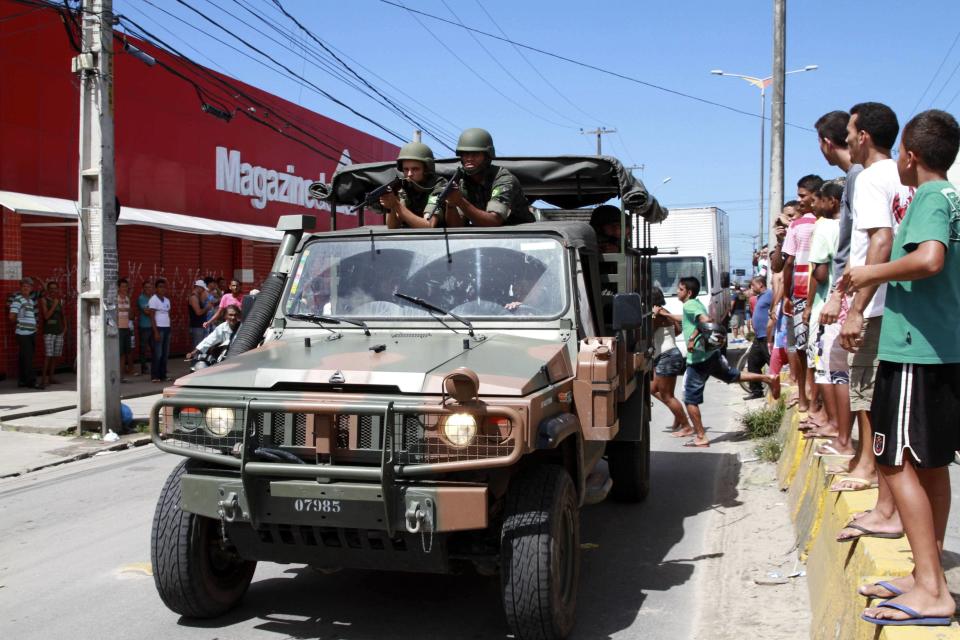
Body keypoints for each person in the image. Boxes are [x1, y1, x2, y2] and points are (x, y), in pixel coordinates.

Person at [850, 110, 960, 627]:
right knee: (931, 464)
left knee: (895, 462)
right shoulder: (950, 197)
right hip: (937, 348)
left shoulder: (931, 198)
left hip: (915, 350)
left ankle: (932, 590)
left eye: (900, 153)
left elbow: (930, 259)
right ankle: (926, 576)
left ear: (911, 156)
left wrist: (870, 272)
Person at [831, 101, 913, 508]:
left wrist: (857, 308)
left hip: (877, 301)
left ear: (863, 136)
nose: (846, 138)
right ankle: (872, 473)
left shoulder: (868, 178)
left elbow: (879, 241)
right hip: (901, 300)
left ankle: (876, 482)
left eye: (850, 131)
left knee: (867, 394)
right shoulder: (906, 175)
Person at [664, 277, 776, 447]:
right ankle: (767, 378)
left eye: (679, 289)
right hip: (711, 355)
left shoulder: (690, 305)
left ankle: (701, 436)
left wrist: (693, 338)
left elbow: (706, 320)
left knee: (689, 399)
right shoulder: (694, 304)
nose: (677, 292)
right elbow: (686, 318)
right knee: (732, 375)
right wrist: (666, 315)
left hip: (698, 360)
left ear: (688, 292)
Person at [801, 183, 845, 451]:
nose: (815, 206)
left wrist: (807, 306)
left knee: (825, 369)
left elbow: (818, 274)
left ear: (833, 201)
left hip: (826, 308)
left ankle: (833, 424)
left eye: (818, 200)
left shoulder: (825, 228)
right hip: (849, 307)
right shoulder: (852, 226)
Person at [782, 174, 824, 414]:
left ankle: (805, 397)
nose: (799, 201)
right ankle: (812, 397)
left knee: (801, 346)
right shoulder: (828, 222)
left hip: (800, 291)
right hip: (818, 291)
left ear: (814, 195)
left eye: (802, 196)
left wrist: (786, 296)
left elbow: (788, 262)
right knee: (815, 347)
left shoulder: (797, 225)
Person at [444, 128, 534, 226]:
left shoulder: (503, 179)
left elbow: (494, 221)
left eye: (476, 154)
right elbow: (456, 226)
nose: (469, 158)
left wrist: (460, 201)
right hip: (487, 238)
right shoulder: (463, 182)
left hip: (521, 235)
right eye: (465, 154)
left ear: (487, 156)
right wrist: (451, 204)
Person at [379, 142, 452, 229]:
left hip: (441, 238)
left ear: (426, 169)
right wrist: (391, 206)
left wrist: (396, 204)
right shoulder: (403, 185)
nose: (409, 174)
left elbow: (428, 225)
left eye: (415, 169)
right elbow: (393, 226)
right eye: (406, 169)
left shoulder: (438, 184)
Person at [650, 287, 691, 434]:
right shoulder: (665, 311)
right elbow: (678, 329)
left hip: (667, 356)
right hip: (669, 355)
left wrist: (653, 317)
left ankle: (686, 426)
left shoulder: (658, 313)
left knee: (667, 396)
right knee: (653, 389)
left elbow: (647, 331)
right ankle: (678, 415)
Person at [744, 276, 773, 400]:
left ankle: (777, 389)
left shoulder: (770, 294)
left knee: (772, 363)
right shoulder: (760, 297)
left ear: (760, 284)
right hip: (758, 338)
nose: (752, 288)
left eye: (753, 285)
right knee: (752, 364)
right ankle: (756, 391)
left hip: (767, 337)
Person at [9, 277, 40, 389]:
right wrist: (20, 323)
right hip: (23, 333)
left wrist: (34, 325)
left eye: (28, 287)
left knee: (24, 358)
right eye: (23, 286)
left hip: (31, 332)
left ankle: (22, 381)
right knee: (28, 358)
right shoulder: (18, 300)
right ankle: (31, 382)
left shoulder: (30, 301)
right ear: (20, 288)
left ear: (31, 288)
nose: (25, 288)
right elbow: (12, 316)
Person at [39, 280, 65, 386]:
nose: (53, 290)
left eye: (55, 288)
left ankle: (51, 377)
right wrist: (54, 305)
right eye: (51, 288)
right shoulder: (44, 300)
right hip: (49, 331)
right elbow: (46, 316)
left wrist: (65, 328)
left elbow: (62, 315)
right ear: (48, 290)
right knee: (48, 355)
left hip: (58, 331)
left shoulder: (59, 301)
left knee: (55, 355)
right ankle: (43, 379)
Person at [148, 278, 172, 383]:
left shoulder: (167, 300)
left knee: (165, 353)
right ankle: (155, 376)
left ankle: (163, 375)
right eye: (160, 287)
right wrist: (156, 331)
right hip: (158, 328)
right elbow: (152, 316)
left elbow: (168, 314)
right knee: (158, 353)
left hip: (167, 328)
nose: (162, 289)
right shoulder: (153, 299)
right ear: (156, 288)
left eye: (164, 287)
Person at [116, 278, 134, 378]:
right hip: (118, 328)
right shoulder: (115, 298)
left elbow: (130, 314)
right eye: (123, 286)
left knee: (125, 353)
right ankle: (118, 374)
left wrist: (129, 311)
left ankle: (121, 374)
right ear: (118, 288)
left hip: (127, 327)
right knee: (119, 352)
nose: (125, 288)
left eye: (126, 286)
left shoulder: (127, 298)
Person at [136, 280, 154, 375]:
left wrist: (152, 310)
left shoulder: (153, 298)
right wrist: (155, 310)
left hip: (153, 326)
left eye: (150, 287)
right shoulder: (141, 298)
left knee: (154, 348)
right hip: (144, 326)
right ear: (143, 289)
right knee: (143, 348)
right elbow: (146, 312)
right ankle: (144, 368)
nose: (148, 289)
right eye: (146, 287)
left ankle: (155, 367)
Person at [187, 279, 212, 347]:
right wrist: (207, 308)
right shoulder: (193, 297)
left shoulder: (198, 297)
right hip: (197, 326)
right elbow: (198, 312)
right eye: (203, 289)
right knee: (198, 347)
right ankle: (196, 358)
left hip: (201, 325)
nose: (204, 290)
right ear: (199, 287)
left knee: (203, 346)